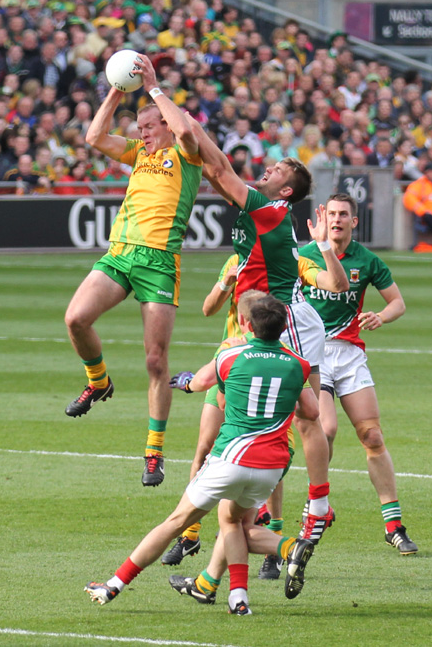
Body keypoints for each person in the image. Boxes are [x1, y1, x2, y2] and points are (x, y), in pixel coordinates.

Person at [85, 295, 330, 614]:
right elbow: (311, 411)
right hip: (271, 466)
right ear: (283, 328)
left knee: (175, 522)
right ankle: (239, 597)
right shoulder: (298, 363)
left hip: (232, 458)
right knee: (233, 522)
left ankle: (114, 585)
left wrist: (186, 383)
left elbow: (200, 383)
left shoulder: (232, 355)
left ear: (246, 324)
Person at [162, 205, 348, 573]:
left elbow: (330, 282)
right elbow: (207, 309)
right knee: (203, 447)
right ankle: (191, 533)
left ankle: (272, 538)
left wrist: (323, 247)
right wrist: (224, 283)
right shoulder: (235, 260)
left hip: (267, 364)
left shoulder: (291, 264)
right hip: (229, 362)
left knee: (273, 449)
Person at [63, 53, 203, 487]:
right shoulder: (137, 154)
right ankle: (98, 381)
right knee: (75, 318)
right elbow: (93, 136)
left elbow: (183, 129)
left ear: (162, 123)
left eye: (147, 127)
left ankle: (154, 452)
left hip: (160, 262)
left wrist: (156, 88)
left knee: (155, 361)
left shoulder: (186, 154)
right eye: (139, 129)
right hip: (121, 254)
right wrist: (115, 91)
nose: (141, 135)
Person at [299, 193, 418, 555]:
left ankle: (393, 524)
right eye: (331, 213)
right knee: (327, 427)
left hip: (349, 354)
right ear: (325, 218)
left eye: (343, 215)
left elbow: (397, 301)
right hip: (314, 354)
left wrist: (381, 316)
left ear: (354, 222)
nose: (336, 219)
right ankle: (316, 506)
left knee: (373, 436)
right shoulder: (306, 255)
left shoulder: (367, 260)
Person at [403, 162, 432, 253]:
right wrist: (423, 211)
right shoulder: (419, 184)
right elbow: (409, 198)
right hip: (426, 215)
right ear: (426, 173)